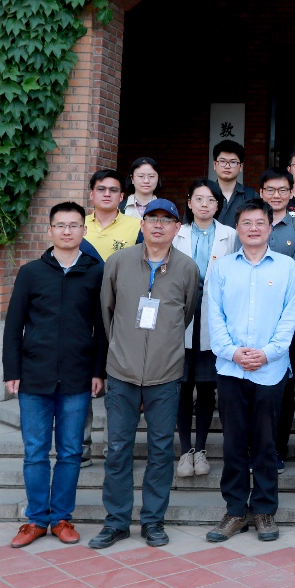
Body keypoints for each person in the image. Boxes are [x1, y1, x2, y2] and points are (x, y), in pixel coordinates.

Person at [90, 200, 199, 550]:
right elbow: (106, 312)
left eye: (167, 220)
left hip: (165, 375)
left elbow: (186, 314)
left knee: (161, 450)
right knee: (117, 449)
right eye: (152, 218)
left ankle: (153, 521)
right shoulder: (118, 262)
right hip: (122, 372)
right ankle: (116, 522)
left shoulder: (187, 268)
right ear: (142, 223)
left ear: (177, 228)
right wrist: (122, 350)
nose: (158, 225)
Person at [2, 202, 106, 548]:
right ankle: (35, 520)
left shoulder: (95, 272)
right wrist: (12, 370)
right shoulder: (31, 272)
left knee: (70, 452)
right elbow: (13, 325)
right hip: (34, 376)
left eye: (73, 225)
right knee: (35, 452)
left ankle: (61, 518)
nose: (67, 231)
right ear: (50, 231)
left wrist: (98, 370)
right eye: (60, 225)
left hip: (77, 377)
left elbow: (102, 328)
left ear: (83, 231)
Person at [204, 200, 295, 543]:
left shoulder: (287, 267)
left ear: (270, 228)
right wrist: (233, 352)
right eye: (247, 223)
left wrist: (267, 353)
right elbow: (214, 315)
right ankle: (234, 511)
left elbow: (289, 317)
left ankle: (263, 510)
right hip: (231, 369)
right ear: (238, 228)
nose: (254, 228)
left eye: (260, 222)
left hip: (270, 371)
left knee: (265, 444)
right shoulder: (222, 267)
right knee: (233, 443)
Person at [172, 179, 237, 479]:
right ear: (189, 202)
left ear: (218, 205)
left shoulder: (230, 235)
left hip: (214, 316)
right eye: (199, 199)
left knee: (208, 386)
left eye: (211, 200)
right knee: (183, 385)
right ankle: (185, 450)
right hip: (181, 314)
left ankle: (201, 449)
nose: (204, 205)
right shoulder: (177, 234)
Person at [261, 168, 295, 471]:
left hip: (290, 322)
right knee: (255, 386)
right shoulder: (250, 223)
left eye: (282, 190)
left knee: (285, 386)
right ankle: (256, 447)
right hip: (253, 321)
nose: (276, 195)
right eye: (270, 189)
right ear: (261, 192)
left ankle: (277, 449)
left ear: (291, 193)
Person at [84, 169, 141, 261]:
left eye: (113, 190)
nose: (107, 194)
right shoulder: (78, 224)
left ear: (121, 196)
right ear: (91, 195)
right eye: (101, 189)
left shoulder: (137, 226)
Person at [213, 141, 258, 228]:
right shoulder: (204, 194)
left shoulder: (251, 196)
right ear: (215, 165)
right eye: (222, 161)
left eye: (233, 162)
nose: (227, 166)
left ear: (240, 167)